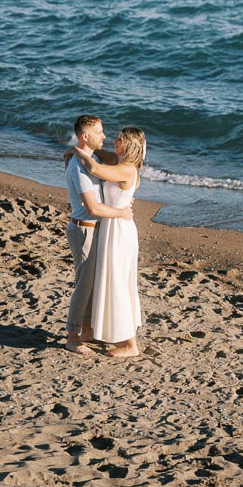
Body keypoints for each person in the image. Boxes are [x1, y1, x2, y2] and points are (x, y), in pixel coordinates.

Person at [73, 126, 146, 360]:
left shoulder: (126, 169)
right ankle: (106, 331)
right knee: (112, 280)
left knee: (118, 282)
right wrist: (87, 152)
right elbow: (103, 157)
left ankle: (130, 344)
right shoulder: (120, 162)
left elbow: (95, 167)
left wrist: (75, 151)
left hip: (120, 230)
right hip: (112, 228)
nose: (114, 141)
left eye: (120, 139)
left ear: (129, 145)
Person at [64, 115, 133, 357]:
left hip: (95, 228)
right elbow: (93, 208)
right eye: (99, 132)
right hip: (84, 228)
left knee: (93, 284)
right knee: (83, 286)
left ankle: (86, 331)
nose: (104, 136)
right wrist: (121, 212)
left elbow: (113, 160)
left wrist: (77, 149)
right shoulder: (80, 166)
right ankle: (72, 338)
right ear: (85, 136)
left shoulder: (89, 158)